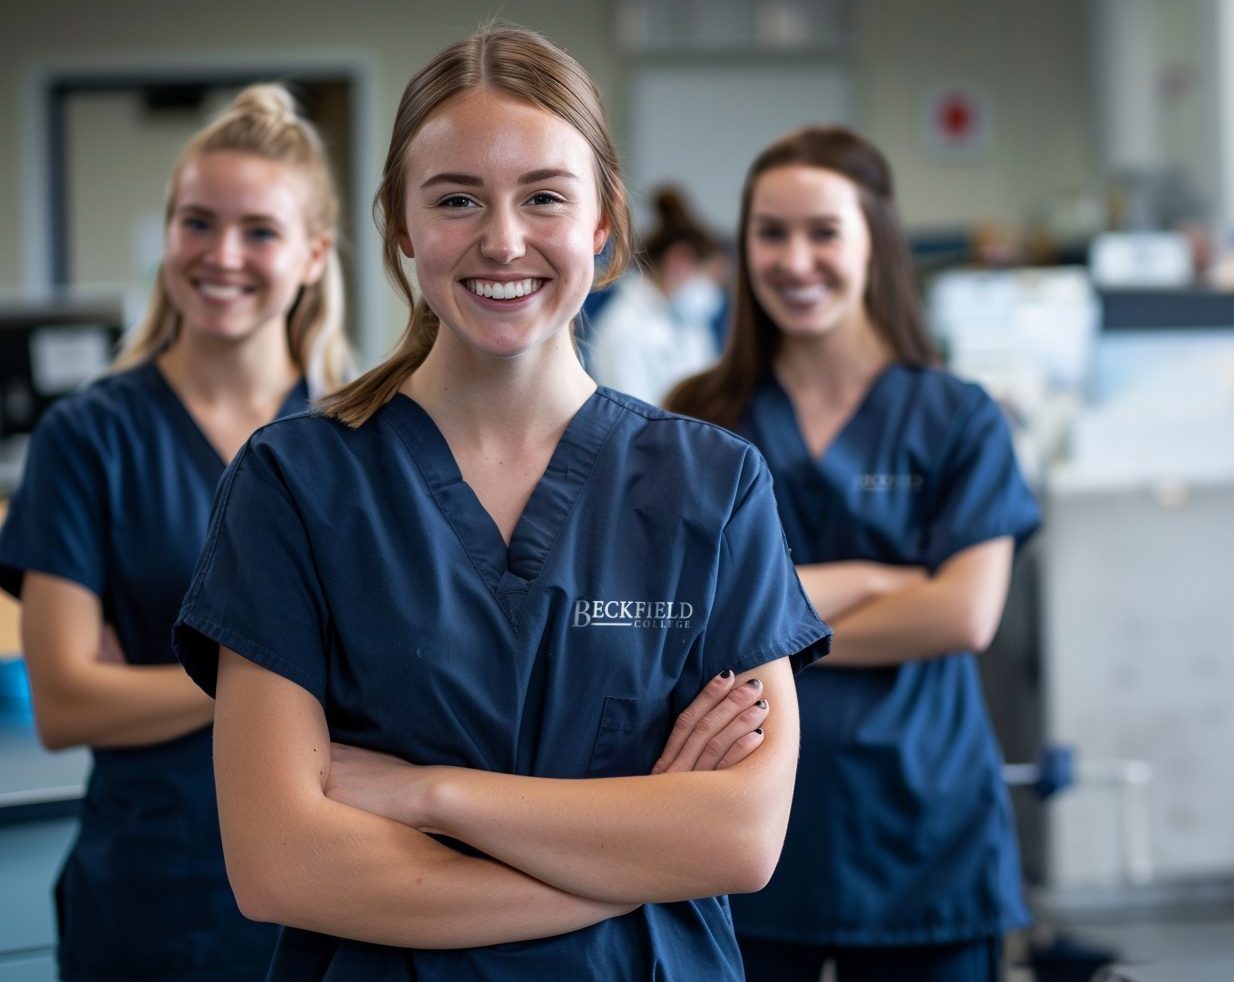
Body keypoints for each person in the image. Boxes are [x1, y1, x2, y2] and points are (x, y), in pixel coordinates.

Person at [171, 24, 829, 980]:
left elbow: (741, 839)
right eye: (457, 199)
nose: (504, 239)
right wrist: (636, 855)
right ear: (399, 224)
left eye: (545, 198)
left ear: (603, 223)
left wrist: (431, 795)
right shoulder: (293, 486)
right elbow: (283, 865)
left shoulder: (714, 486)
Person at [667, 125, 1042, 981]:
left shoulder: (958, 418)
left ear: (875, 241)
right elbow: (685, 616)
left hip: (922, 833)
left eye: (823, 232)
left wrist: (766, 614)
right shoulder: (696, 420)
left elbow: (963, 614)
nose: (795, 261)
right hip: (742, 832)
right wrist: (876, 581)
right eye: (771, 233)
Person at [0, 84, 350, 980]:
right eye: (197, 223)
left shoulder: (360, 436)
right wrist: (299, 682)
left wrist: (165, 685)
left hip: (340, 885)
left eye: (260, 231)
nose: (221, 255)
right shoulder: (90, 436)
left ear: (313, 254)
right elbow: (67, 702)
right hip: (156, 890)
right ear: (167, 236)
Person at [587, 185, 725, 403]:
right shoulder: (623, 327)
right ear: (680, 261)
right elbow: (634, 418)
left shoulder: (689, 323)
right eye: (704, 275)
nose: (709, 291)